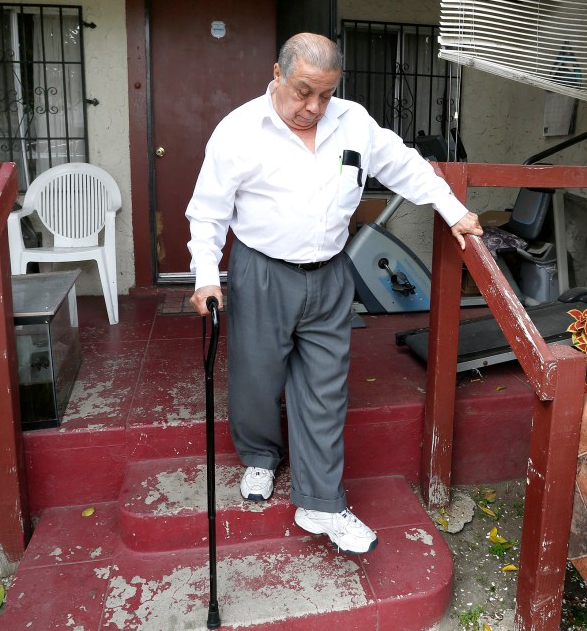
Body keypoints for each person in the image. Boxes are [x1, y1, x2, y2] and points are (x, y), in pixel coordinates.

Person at [185, 33, 483, 555]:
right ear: (276, 75)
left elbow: (407, 166)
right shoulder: (237, 131)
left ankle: (321, 502)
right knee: (257, 373)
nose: (314, 107)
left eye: (325, 94)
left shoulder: (354, 122)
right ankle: (259, 455)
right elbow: (208, 211)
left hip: (329, 274)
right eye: (303, 92)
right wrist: (206, 274)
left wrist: (452, 209)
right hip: (262, 270)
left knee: (325, 387)